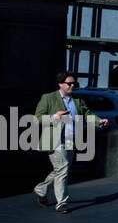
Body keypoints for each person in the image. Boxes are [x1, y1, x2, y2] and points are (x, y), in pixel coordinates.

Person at [32, 72, 108, 213]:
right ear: (60, 84)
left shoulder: (77, 99)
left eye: (74, 84)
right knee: (63, 168)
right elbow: (37, 118)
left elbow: (86, 114)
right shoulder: (49, 98)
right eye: (69, 83)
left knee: (61, 169)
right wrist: (55, 116)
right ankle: (62, 203)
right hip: (54, 140)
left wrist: (99, 121)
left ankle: (41, 189)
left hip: (71, 140)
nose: (72, 86)